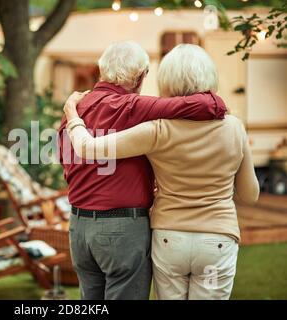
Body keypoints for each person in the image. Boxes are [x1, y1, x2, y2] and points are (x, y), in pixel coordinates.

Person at [63, 44, 259, 300]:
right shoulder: (234, 127)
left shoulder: (156, 130)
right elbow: (249, 195)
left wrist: (71, 113)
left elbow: (84, 150)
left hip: (169, 240)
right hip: (217, 241)